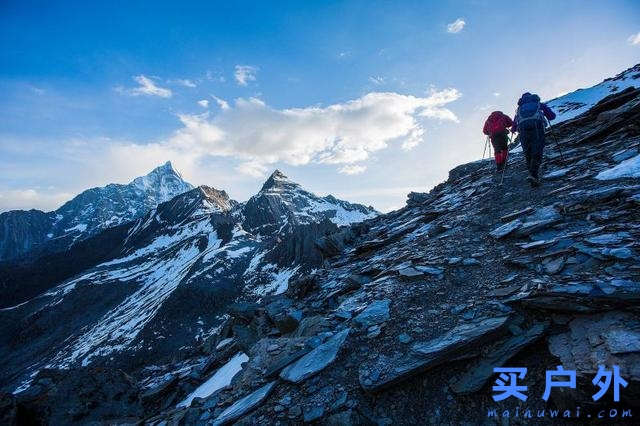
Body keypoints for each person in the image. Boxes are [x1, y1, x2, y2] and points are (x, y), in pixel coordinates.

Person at [511, 92, 556, 187]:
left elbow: (514, 124)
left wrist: (513, 130)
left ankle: (532, 176)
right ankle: (533, 175)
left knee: (528, 152)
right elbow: (552, 116)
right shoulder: (538, 104)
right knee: (537, 149)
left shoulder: (519, 108)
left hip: (523, 131)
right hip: (537, 128)